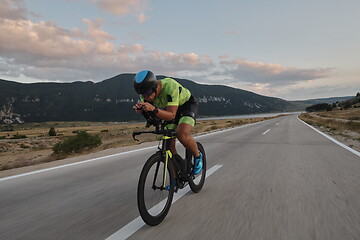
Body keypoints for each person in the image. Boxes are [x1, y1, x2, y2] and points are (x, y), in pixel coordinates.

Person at [132, 70, 203, 175]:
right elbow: (155, 114)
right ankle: (176, 176)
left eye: (147, 93)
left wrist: (153, 109)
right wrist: (141, 110)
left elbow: (171, 115)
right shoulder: (145, 95)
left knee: (182, 134)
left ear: (155, 87)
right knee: (168, 145)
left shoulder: (170, 86)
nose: (145, 97)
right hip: (170, 108)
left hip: (186, 106)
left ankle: (197, 156)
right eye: (142, 94)